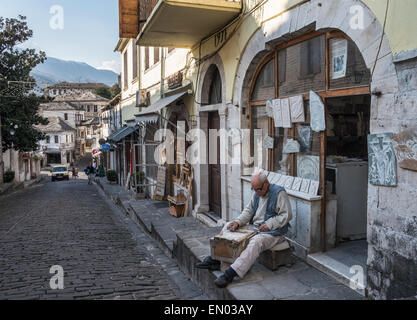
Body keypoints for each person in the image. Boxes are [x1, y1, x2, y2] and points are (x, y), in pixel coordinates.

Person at [195, 172, 292, 288]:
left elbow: (286, 215)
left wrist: (269, 224)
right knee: (227, 226)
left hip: (274, 232)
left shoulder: (279, 193)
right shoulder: (257, 192)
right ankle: (216, 259)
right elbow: (248, 211)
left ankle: (230, 273)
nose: (256, 192)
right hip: (256, 227)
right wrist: (237, 222)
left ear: (266, 183)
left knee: (256, 242)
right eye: (254, 189)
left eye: (259, 189)